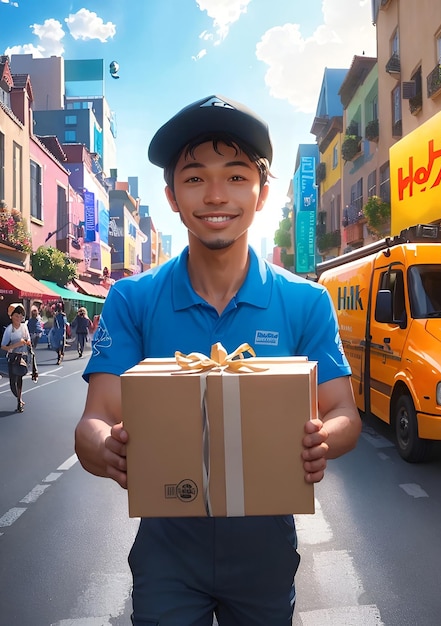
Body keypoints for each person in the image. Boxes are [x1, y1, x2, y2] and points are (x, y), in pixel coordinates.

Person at [74, 94, 362, 624]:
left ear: (262, 192)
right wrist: (106, 450)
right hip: (167, 549)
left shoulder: (305, 301)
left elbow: (344, 411)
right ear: (171, 196)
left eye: (234, 176)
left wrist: (324, 437)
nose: (214, 196)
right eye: (193, 178)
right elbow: (95, 419)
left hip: (265, 549)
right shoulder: (132, 300)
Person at [2, 303, 31, 412]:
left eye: (20, 316)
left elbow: (29, 341)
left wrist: (27, 343)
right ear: (11, 316)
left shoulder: (24, 327)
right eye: (16, 316)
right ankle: (18, 398)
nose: (19, 318)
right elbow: (4, 346)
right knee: (12, 382)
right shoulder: (9, 329)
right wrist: (16, 345)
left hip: (22, 356)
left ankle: (19, 401)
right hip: (12, 356)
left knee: (19, 378)